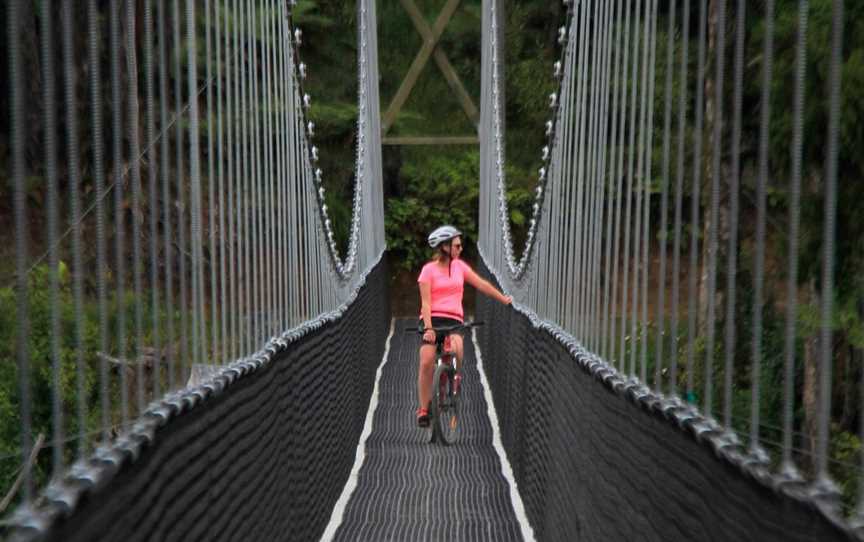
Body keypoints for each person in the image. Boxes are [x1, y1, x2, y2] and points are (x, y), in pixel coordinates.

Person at [415, 225, 512, 427]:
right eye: (456, 246)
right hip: (432, 319)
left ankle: (453, 380)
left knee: (458, 349)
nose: (460, 249)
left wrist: (503, 299)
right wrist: (429, 328)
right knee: (426, 361)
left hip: (454, 320)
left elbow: (481, 284)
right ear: (445, 247)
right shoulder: (428, 271)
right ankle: (424, 409)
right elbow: (425, 303)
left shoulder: (460, 267)